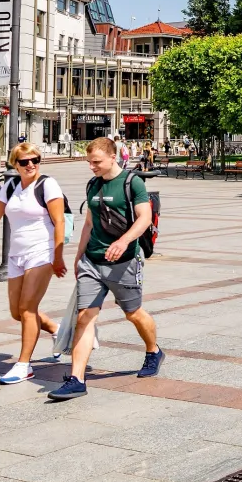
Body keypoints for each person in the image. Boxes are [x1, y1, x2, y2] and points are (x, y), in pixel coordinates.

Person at [49, 136, 163, 401]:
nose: (92, 167)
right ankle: (76, 379)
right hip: (93, 260)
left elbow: (144, 218)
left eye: (96, 162)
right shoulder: (93, 184)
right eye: (89, 162)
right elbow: (89, 223)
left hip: (124, 263)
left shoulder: (131, 183)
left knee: (133, 313)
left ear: (113, 157)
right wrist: (79, 257)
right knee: (85, 316)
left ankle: (153, 351)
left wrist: (124, 241)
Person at [0, 142, 66, 385]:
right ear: (15, 164)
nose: (31, 164)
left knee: (27, 308)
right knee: (16, 312)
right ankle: (57, 329)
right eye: (24, 161)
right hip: (16, 255)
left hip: (41, 253)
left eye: (35, 159)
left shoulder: (47, 184)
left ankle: (24, 365)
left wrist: (58, 255)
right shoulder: (10, 185)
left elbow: (60, 221)